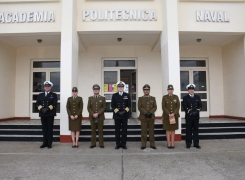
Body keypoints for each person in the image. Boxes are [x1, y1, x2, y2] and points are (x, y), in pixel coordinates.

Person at [36, 81, 57, 149]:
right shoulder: (40, 95)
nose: (47, 87)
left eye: (48, 86)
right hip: (43, 114)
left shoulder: (54, 95)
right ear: (44, 87)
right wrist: (41, 109)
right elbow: (37, 103)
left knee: (49, 129)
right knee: (44, 129)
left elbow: (54, 104)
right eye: (45, 86)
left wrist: (47, 109)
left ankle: (49, 143)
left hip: (50, 114)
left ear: (50, 87)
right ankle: (44, 143)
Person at [111, 81, 131, 150]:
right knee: (117, 131)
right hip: (117, 116)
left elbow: (129, 105)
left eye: (121, 87)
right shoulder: (114, 95)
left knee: (124, 131)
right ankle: (118, 144)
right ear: (117, 88)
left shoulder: (127, 95)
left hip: (124, 115)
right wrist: (118, 112)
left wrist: (124, 112)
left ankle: (123, 144)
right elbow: (112, 105)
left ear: (123, 88)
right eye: (119, 87)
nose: (120, 88)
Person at [182, 84, 202, 149]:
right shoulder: (185, 98)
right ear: (188, 91)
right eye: (190, 89)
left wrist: (197, 111)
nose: (191, 91)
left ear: (194, 90)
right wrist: (190, 112)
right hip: (189, 117)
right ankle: (188, 143)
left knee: (196, 130)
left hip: (196, 116)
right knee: (188, 130)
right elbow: (184, 106)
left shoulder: (197, 97)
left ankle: (196, 143)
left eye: (192, 89)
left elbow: (200, 105)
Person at [138, 84, 157, 150]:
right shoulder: (140, 98)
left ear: (149, 91)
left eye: (147, 90)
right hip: (143, 117)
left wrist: (150, 112)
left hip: (151, 117)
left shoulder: (153, 98)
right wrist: (146, 113)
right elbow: (139, 107)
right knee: (144, 132)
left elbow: (155, 107)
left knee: (151, 132)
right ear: (143, 91)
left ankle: (152, 144)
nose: (146, 91)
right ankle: (143, 144)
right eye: (145, 90)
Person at [87, 84, 106, 148]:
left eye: (97, 89)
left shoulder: (102, 98)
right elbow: (88, 107)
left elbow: (104, 107)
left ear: (99, 90)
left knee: (100, 131)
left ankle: (101, 144)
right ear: (93, 90)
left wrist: (98, 113)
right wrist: (93, 114)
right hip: (92, 117)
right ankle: (93, 144)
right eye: (94, 90)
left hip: (100, 117)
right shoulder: (90, 98)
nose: (96, 91)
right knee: (93, 131)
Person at [162, 84, 180, 149]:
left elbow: (178, 106)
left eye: (171, 89)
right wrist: (168, 114)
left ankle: (173, 143)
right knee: (167, 129)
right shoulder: (164, 97)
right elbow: (163, 107)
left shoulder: (176, 97)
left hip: (174, 116)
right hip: (167, 116)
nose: (170, 91)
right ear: (167, 90)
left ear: (173, 90)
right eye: (169, 90)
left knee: (173, 129)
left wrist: (173, 114)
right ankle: (168, 143)